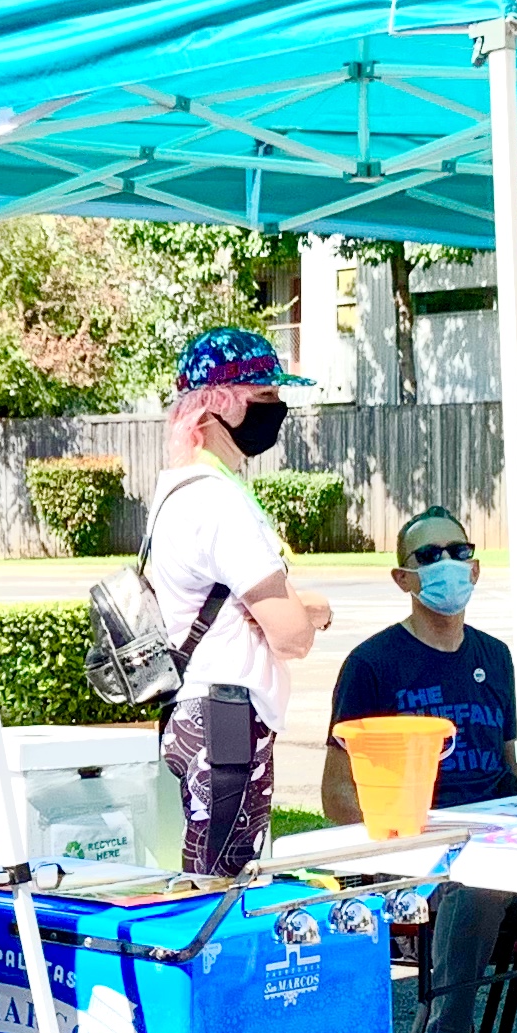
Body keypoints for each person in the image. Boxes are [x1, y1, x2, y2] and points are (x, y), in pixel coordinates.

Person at [319, 504, 517, 1033]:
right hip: (414, 850)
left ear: (477, 567)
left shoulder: (498, 657)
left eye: (456, 552)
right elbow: (335, 792)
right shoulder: (374, 664)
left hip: (496, 831)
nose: (445, 566)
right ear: (403, 578)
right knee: (477, 881)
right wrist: (404, 827)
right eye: (427, 556)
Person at [141, 327, 330, 878]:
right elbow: (291, 634)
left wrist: (292, 605)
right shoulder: (220, 501)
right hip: (227, 722)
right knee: (221, 893)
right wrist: (309, 609)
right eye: (266, 396)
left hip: (192, 714)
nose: (278, 409)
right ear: (222, 402)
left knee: (198, 879)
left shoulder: (176, 490)